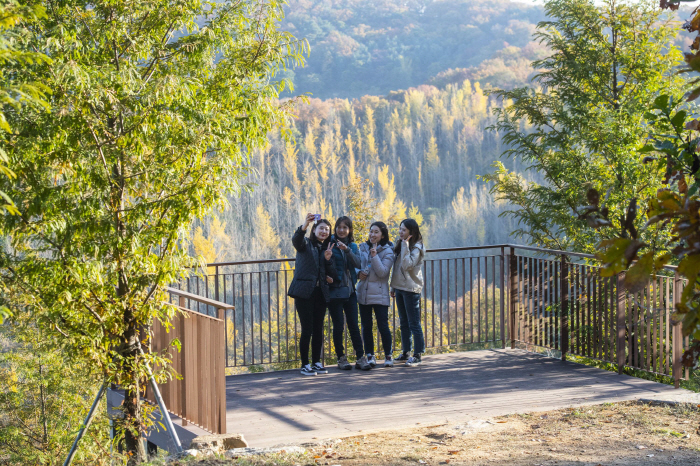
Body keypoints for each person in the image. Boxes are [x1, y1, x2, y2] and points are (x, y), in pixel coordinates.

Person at [287, 213, 338, 376]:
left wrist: (329, 260)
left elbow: (333, 274)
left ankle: (316, 362)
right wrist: (304, 226)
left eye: (327, 229)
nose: (324, 231)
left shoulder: (326, 248)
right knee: (307, 328)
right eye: (321, 228)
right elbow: (296, 240)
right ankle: (305, 364)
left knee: (318, 329)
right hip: (304, 292)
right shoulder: (305, 244)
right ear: (314, 229)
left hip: (320, 293)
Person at [328, 216, 371, 370]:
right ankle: (341, 358)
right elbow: (325, 262)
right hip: (334, 291)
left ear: (349, 230)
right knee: (338, 326)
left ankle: (361, 357)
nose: (341, 230)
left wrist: (346, 251)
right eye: (339, 227)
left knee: (354, 325)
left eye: (345, 227)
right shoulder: (329, 244)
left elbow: (358, 263)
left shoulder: (352, 246)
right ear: (335, 228)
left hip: (350, 291)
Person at [357, 221, 396, 368]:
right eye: (371, 231)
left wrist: (374, 256)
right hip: (363, 293)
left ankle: (388, 355)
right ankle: (370, 355)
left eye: (376, 232)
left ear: (383, 235)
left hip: (380, 294)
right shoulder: (362, 247)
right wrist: (357, 273)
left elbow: (382, 273)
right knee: (366, 326)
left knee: (383, 326)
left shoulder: (388, 251)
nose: (372, 234)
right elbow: (356, 266)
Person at [390, 218, 426, 367]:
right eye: (400, 229)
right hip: (400, 288)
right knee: (403, 322)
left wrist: (405, 245)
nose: (400, 232)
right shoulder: (402, 244)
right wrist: (393, 286)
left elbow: (407, 265)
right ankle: (406, 352)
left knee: (413, 323)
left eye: (403, 230)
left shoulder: (416, 247)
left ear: (411, 232)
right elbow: (397, 266)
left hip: (411, 289)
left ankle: (417, 354)